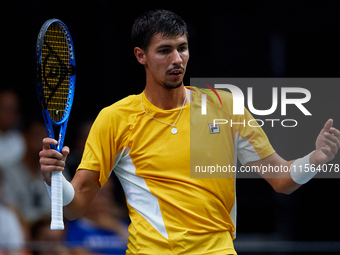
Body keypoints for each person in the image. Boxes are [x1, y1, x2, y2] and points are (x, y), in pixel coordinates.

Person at [39, 10, 340, 254]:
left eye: (182, 48)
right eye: (165, 51)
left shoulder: (226, 107)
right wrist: (55, 178)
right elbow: (77, 205)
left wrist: (314, 159)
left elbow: (281, 179)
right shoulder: (116, 118)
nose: (177, 60)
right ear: (140, 56)